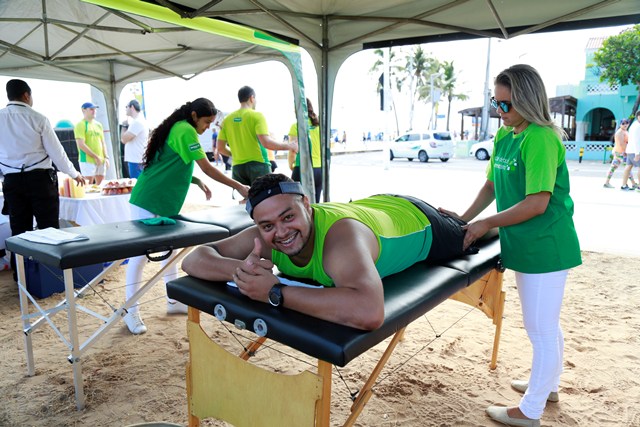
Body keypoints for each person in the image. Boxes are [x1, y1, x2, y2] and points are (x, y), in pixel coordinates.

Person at [439, 64, 581, 427]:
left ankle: (530, 410)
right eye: (495, 103)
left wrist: (487, 223)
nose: (499, 112)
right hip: (523, 243)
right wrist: (464, 218)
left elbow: (537, 202)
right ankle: (547, 385)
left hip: (546, 245)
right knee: (546, 325)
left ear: (528, 101)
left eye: (506, 105)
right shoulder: (507, 135)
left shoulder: (541, 138)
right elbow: (491, 187)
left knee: (541, 329)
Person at [182, 173, 482, 331]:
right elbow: (194, 258)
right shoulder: (266, 239)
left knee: (470, 232)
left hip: (419, 220)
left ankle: (487, 222)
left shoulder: (340, 240)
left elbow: (369, 312)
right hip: (373, 206)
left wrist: (275, 292)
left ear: (307, 205)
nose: (282, 232)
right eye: (268, 225)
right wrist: (241, 273)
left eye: (289, 217)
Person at [123, 98, 250, 335]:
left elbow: (170, 162)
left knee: (169, 252)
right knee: (139, 257)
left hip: (165, 200)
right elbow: (208, 166)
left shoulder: (180, 128)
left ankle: (173, 301)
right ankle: (130, 311)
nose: (207, 128)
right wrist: (240, 186)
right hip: (148, 200)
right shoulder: (185, 130)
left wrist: (196, 181)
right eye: (206, 122)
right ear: (194, 116)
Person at [0, 79, 84, 274]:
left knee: (19, 229)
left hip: (12, 180)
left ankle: (21, 274)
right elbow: (57, 152)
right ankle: (50, 271)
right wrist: (73, 173)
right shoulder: (38, 118)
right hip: (40, 179)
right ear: (26, 95)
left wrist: (5, 174)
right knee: (48, 228)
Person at [216, 86, 297, 185]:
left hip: (238, 167)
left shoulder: (227, 119)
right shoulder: (257, 116)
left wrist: (237, 154)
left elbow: (220, 148)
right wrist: (289, 146)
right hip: (259, 165)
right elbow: (266, 143)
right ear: (251, 98)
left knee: (244, 198)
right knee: (264, 198)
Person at [288, 98, 323, 203]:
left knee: (298, 203)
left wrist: (291, 164)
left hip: (301, 168)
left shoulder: (296, 126)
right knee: (315, 205)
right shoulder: (318, 125)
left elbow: (293, 149)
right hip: (318, 169)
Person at [74, 101, 108, 185]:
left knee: (101, 185)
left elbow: (103, 142)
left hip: (101, 160)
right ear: (83, 110)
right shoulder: (80, 124)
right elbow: (81, 144)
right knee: (88, 185)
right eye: (91, 109)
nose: (94, 111)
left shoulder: (98, 125)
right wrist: (95, 156)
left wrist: (106, 157)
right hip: (87, 160)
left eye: (95, 109)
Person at [120, 99, 149, 179]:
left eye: (126, 107)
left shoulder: (137, 122)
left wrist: (124, 126)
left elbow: (123, 139)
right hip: (137, 159)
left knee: (137, 184)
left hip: (136, 160)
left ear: (132, 107)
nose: (125, 109)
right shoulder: (139, 121)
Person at [603, 118, 635, 188]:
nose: (625, 125)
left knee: (613, 168)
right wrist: (625, 152)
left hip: (619, 152)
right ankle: (633, 183)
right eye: (623, 123)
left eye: (626, 123)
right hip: (621, 153)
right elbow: (621, 144)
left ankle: (606, 182)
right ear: (620, 124)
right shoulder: (620, 132)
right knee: (627, 168)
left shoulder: (625, 131)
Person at [620, 110, 640, 191]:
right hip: (635, 151)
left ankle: (624, 185)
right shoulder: (638, 126)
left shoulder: (634, 125)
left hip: (630, 150)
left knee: (628, 167)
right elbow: (636, 141)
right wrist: (637, 153)